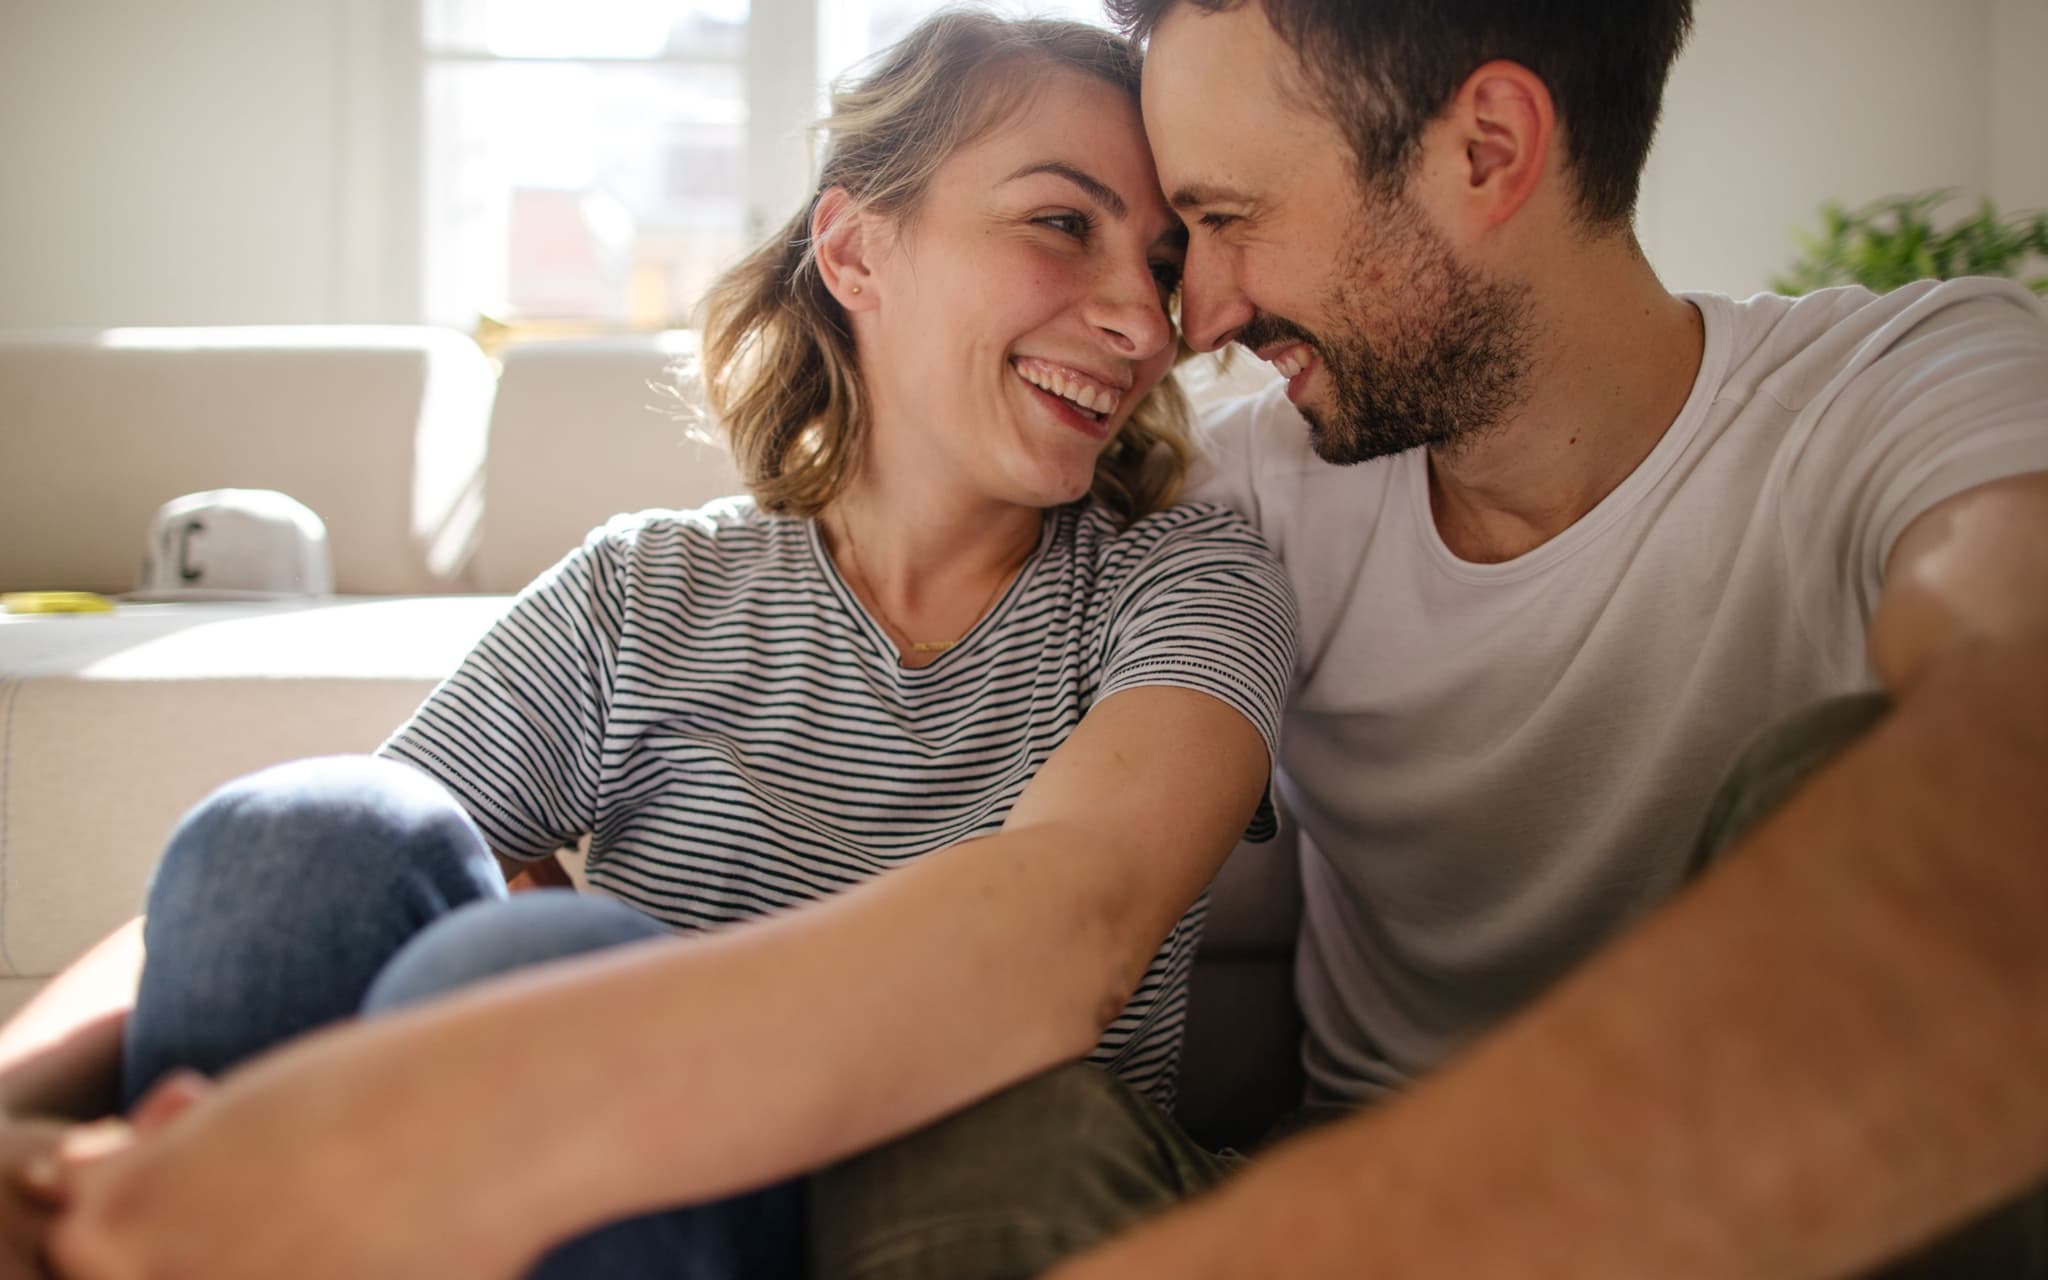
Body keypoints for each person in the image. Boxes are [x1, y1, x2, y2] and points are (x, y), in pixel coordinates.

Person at [0, 13, 1296, 1278]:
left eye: (1169, 261)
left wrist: (532, 993)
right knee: (300, 828)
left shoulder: (1185, 584)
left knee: (522, 967)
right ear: (855, 252)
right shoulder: (648, 583)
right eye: (1062, 224)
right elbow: (308, 890)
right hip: (559, 1205)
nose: (1145, 319)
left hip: (912, 1203)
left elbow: (1085, 913)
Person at [789, 2, 2048, 1278]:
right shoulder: (1245, 500)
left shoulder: (1911, 386)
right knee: (976, 1142)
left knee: (1847, 770)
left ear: (1487, 150)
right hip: (1334, 1159)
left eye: (1225, 221)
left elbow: (2016, 740)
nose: (1194, 316)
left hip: (1788, 1207)